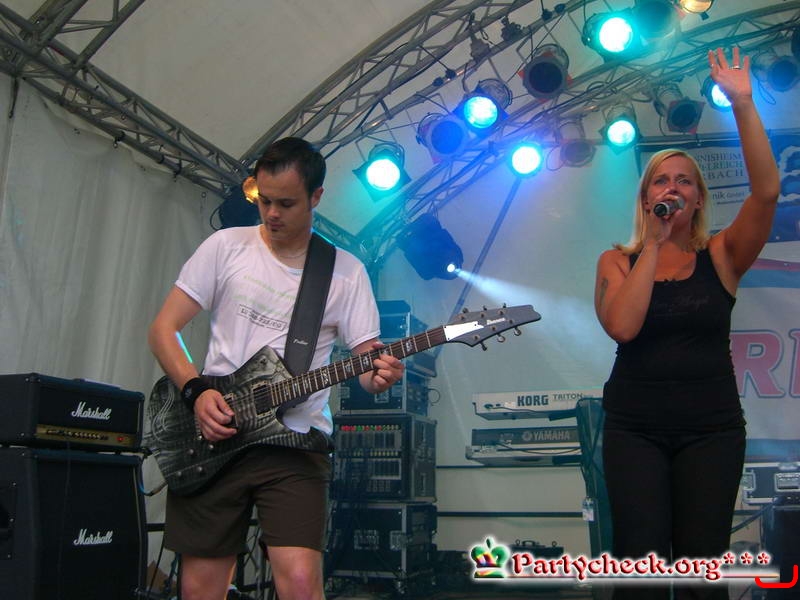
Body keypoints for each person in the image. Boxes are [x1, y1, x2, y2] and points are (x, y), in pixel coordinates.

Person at [148, 137, 404, 600]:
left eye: (286, 203)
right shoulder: (225, 246)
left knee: (301, 582)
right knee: (201, 587)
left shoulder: (345, 272)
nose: (271, 213)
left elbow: (368, 364)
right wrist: (196, 392)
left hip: (295, 441)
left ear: (316, 197)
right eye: (264, 200)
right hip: (216, 433)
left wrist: (380, 375)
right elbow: (164, 330)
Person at [593, 48, 780, 600]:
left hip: (711, 431)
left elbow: (766, 192)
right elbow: (623, 328)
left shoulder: (721, 255)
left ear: (698, 200)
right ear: (646, 197)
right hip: (634, 429)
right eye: (660, 181)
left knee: (701, 570)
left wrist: (742, 103)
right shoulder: (617, 261)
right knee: (642, 569)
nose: (671, 188)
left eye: (683, 182)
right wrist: (651, 246)